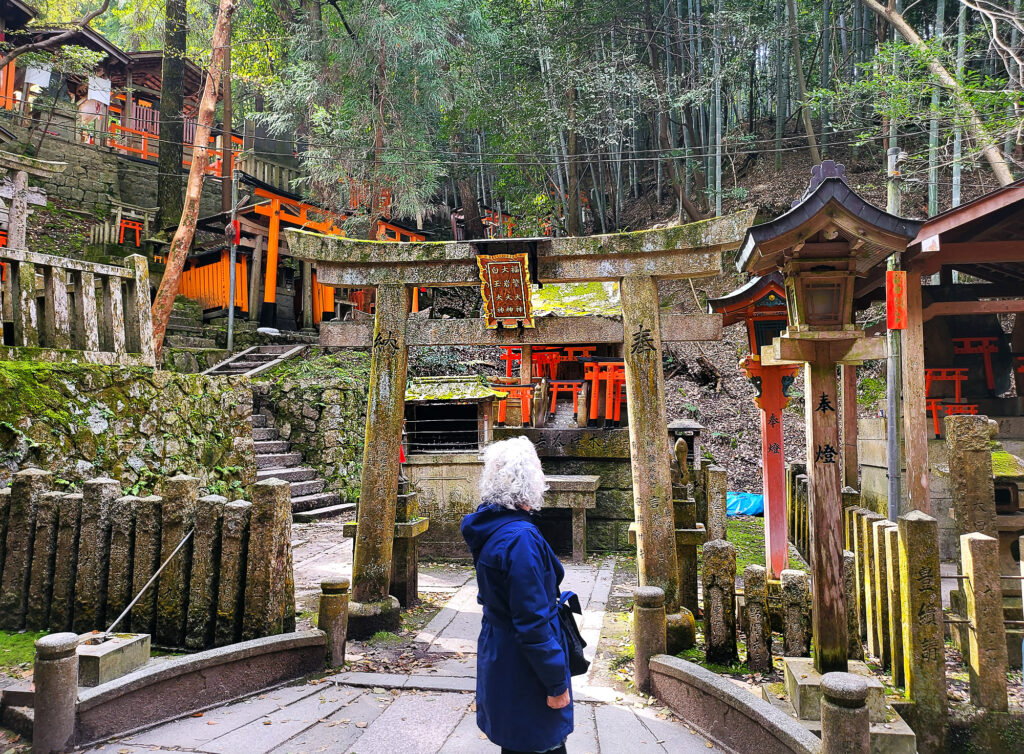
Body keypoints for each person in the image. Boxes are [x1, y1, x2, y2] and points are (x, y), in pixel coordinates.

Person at [460, 436, 572, 754]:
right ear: (530, 481)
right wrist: (555, 682)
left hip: (501, 651)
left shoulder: (493, 528)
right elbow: (532, 621)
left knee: (516, 742)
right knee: (539, 743)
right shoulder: (520, 540)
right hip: (526, 665)